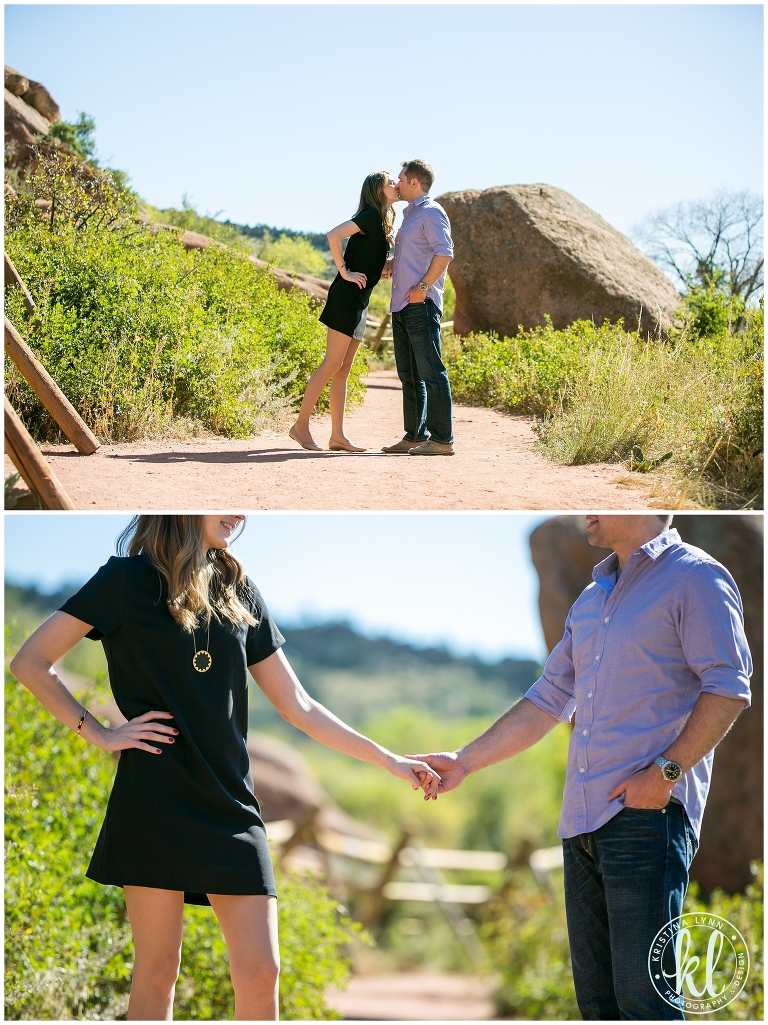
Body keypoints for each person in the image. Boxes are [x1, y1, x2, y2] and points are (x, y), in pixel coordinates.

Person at [10, 514, 440, 1022]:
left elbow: (297, 704)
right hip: (155, 800)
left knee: (262, 973)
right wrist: (102, 734)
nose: (239, 513)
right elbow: (31, 662)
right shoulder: (123, 581)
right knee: (157, 971)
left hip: (233, 807)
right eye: (224, 500)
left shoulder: (239, 590)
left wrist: (389, 759)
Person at [410, 514, 752, 1020]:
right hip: (581, 825)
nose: (584, 509)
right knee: (598, 1007)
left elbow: (729, 688)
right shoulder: (591, 601)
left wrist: (664, 777)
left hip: (646, 820)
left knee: (647, 1004)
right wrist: (464, 761)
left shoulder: (696, 577)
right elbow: (549, 699)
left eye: (600, 499)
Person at [289, 171, 399, 453]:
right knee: (331, 364)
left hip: (360, 301)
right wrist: (344, 272)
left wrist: (382, 266)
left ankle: (337, 435)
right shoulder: (370, 215)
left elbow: (368, 253)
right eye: (390, 183)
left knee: (343, 370)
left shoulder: (383, 221)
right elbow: (333, 234)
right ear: (377, 191)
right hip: (346, 298)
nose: (396, 185)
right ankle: (301, 426)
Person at [381, 159, 455, 457]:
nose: (396, 183)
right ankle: (414, 436)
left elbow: (445, 252)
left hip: (420, 305)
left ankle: (442, 440)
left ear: (414, 182)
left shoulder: (431, 212)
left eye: (400, 178)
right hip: (401, 305)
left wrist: (423, 288)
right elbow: (417, 254)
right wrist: (392, 263)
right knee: (409, 375)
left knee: (431, 372)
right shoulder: (410, 215)